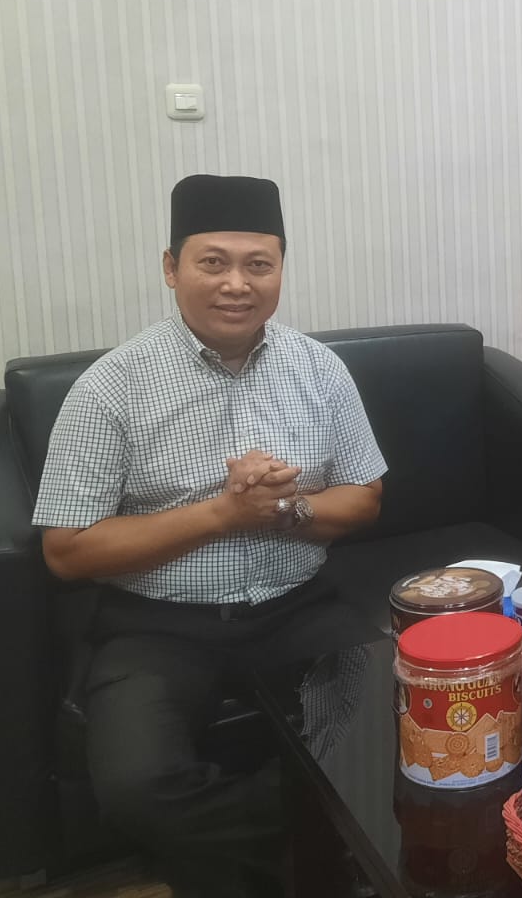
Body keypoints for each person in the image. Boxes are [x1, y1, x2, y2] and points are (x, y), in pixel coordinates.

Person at [32, 174, 387, 898]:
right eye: (213, 262)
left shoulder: (319, 369)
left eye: (258, 264)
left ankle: (261, 859)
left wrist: (286, 510)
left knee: (390, 736)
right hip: (156, 625)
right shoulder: (111, 386)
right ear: (172, 268)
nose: (236, 284)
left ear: (281, 269)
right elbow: (66, 550)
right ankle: (312, 858)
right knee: (137, 787)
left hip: (298, 604)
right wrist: (222, 515)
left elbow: (366, 499)